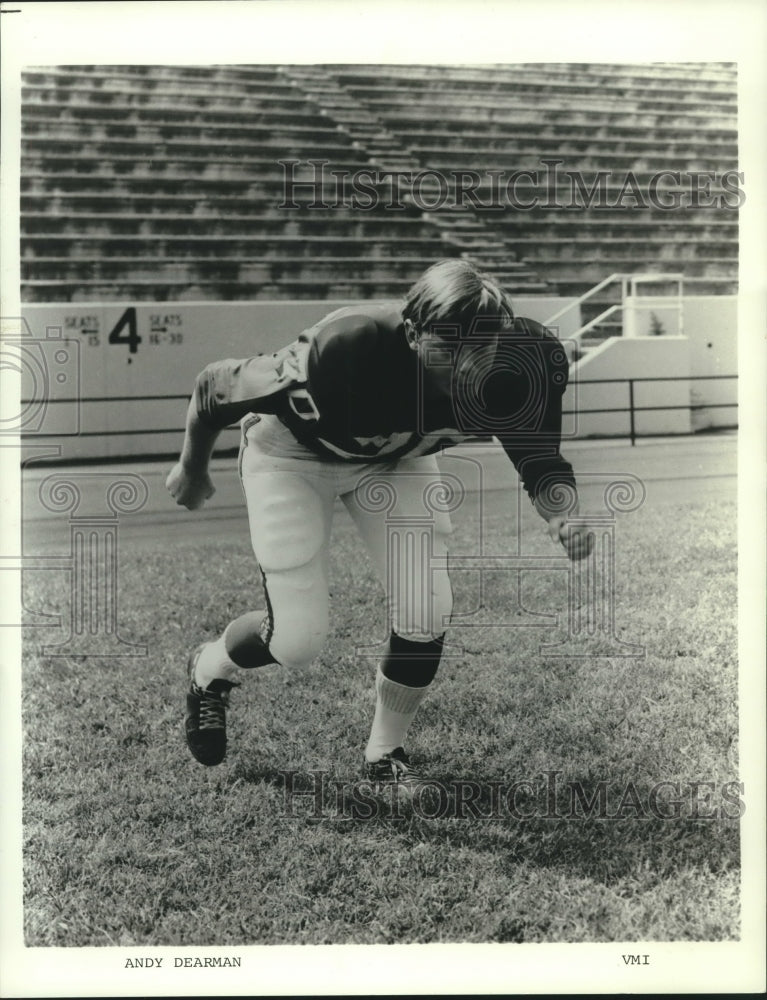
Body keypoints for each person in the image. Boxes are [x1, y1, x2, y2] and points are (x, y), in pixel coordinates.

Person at [166, 258, 591, 784]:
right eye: (450, 347)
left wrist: (563, 514)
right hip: (292, 455)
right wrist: (191, 467)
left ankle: (384, 754)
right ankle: (209, 669)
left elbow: (540, 457)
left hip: (396, 460)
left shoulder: (523, 362)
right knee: (297, 641)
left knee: (426, 609)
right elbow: (215, 387)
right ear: (412, 333)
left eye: (482, 346)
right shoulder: (345, 349)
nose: (468, 364)